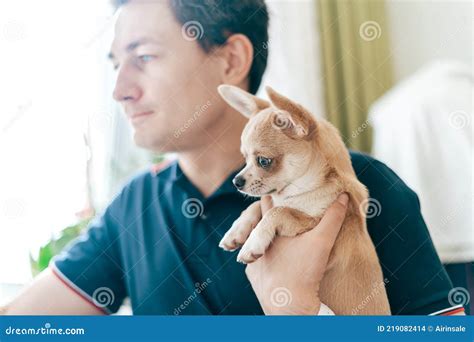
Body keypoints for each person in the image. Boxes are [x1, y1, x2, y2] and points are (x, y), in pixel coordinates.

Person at [3, 0, 464, 316]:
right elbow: (21, 322)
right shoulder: (135, 204)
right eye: (115, 64)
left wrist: (296, 313)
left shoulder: (359, 186)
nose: (120, 89)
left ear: (231, 60)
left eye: (143, 57)